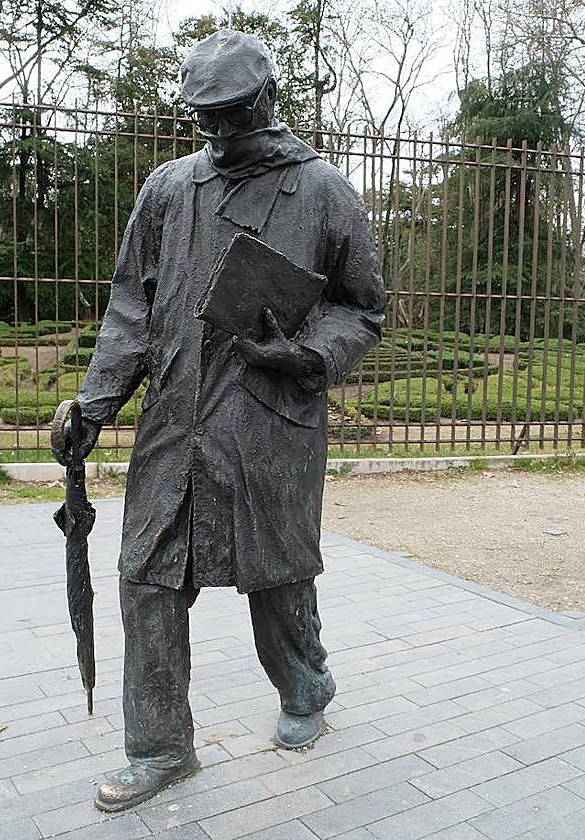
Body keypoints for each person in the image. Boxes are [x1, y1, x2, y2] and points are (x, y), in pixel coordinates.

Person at [55, 29, 386, 812]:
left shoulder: (325, 191)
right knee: (147, 579)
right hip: (174, 421)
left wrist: (304, 352)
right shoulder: (169, 190)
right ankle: (162, 749)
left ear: (266, 99)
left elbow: (363, 309)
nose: (223, 133)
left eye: (235, 115)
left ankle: (307, 686)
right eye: (208, 120)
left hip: (271, 421)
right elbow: (130, 309)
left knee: (275, 576)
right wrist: (97, 403)